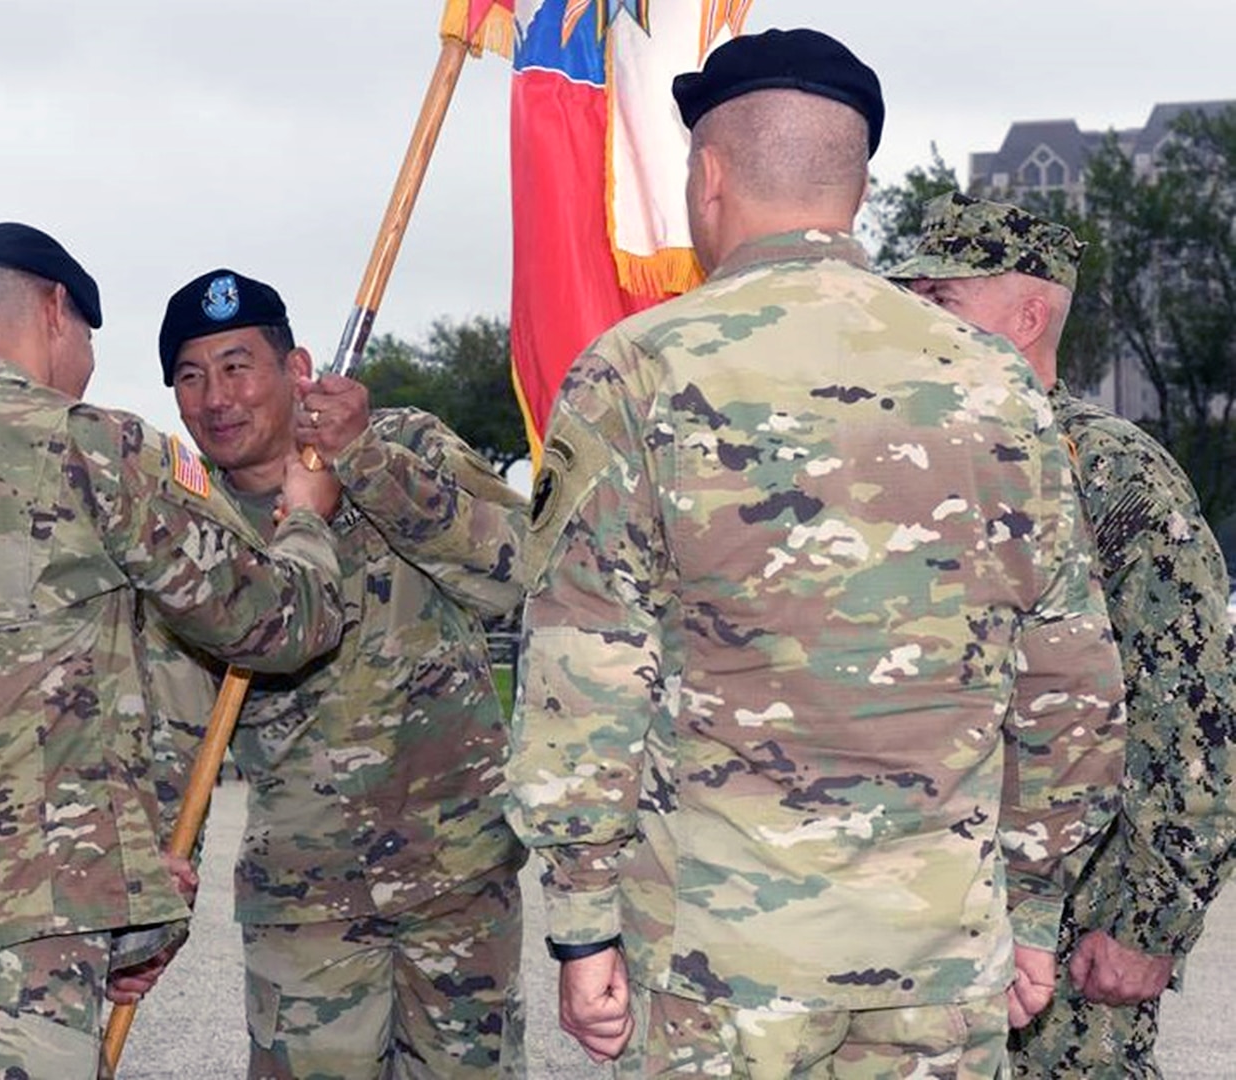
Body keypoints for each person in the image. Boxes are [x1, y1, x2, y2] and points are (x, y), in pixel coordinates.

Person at [505, 27, 1130, 1078]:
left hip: (721, 964)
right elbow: (1072, 682)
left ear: (707, 176)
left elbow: (586, 668)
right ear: (859, 186)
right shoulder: (994, 384)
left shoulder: (636, 372)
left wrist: (582, 921)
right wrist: (1031, 908)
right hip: (940, 960)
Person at [0, 222, 346, 1080]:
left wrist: (137, 890)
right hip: (39, 914)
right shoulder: (93, 447)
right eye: (89, 336)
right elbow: (279, 623)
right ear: (58, 311)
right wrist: (308, 517)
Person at [890, 191, 1236, 1078]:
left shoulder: (1113, 473)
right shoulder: (907, 458)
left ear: (1029, 313)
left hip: (1078, 915)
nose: (914, 319)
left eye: (940, 299)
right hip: (919, 907)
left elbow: (1192, 715)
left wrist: (1148, 921)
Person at [157, 268, 529, 1078]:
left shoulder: (403, 445)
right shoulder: (190, 530)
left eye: (236, 364)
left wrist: (366, 462)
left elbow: (516, 573)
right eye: (190, 376)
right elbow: (169, 724)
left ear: (296, 370)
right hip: (306, 902)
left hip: (456, 879)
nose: (216, 396)